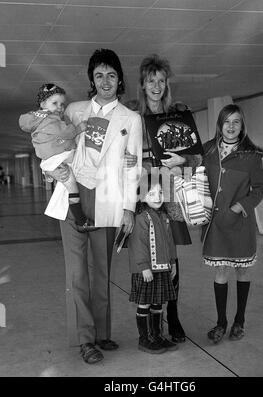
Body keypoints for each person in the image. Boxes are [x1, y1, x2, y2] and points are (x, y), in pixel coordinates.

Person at [46, 49, 143, 364]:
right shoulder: (73, 111)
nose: (105, 81)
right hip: (73, 198)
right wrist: (50, 170)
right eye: (99, 75)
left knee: (101, 273)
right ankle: (86, 340)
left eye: (111, 75)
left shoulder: (131, 119)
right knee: (78, 274)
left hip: (108, 200)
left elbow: (135, 167)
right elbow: (48, 141)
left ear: (119, 80)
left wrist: (129, 208)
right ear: (91, 79)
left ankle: (102, 333)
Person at [125, 54, 201, 343]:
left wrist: (181, 159)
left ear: (166, 84)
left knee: (171, 257)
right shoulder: (133, 116)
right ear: (142, 85)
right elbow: (121, 154)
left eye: (161, 80)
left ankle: (174, 315)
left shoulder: (179, 114)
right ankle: (150, 323)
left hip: (172, 192)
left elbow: (195, 157)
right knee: (148, 252)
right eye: (150, 81)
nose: (156, 86)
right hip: (145, 193)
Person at [201, 104, 263, 344]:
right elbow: (197, 177)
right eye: (226, 121)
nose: (231, 126)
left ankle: (239, 320)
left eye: (236, 122)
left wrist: (239, 206)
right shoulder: (207, 151)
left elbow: (261, 188)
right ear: (219, 124)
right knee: (221, 271)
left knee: (242, 269)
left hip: (240, 224)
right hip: (216, 225)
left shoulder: (252, 156)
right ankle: (221, 322)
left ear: (242, 126)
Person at [19, 83, 90, 231]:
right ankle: (81, 220)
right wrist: (79, 128)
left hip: (53, 160)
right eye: (55, 103)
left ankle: (80, 220)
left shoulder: (40, 120)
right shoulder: (50, 119)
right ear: (43, 104)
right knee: (71, 187)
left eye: (62, 104)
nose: (60, 107)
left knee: (69, 185)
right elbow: (65, 133)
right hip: (57, 158)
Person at [127, 172, 178, 354]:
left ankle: (157, 336)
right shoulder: (141, 218)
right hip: (146, 271)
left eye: (160, 193)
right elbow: (138, 244)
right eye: (151, 194)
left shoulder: (164, 216)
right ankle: (144, 338)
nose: (157, 197)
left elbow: (170, 242)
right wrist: (143, 267)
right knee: (145, 304)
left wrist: (172, 262)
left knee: (158, 303)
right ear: (142, 196)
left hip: (162, 269)